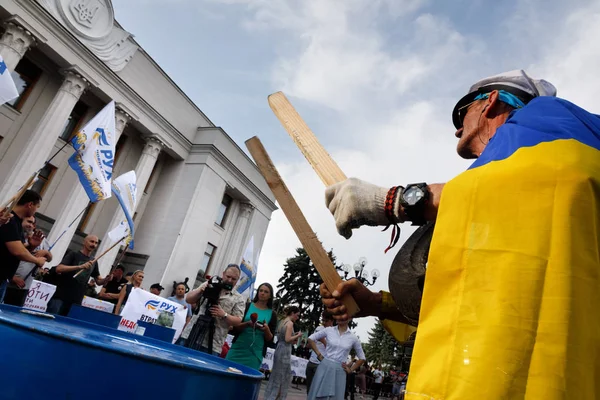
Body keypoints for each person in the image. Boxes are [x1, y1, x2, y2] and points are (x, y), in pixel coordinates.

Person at [321, 70, 600, 399]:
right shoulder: (512, 211)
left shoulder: (549, 118)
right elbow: (485, 304)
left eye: (462, 111)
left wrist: (394, 200)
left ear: (490, 103)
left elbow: (538, 179)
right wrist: (378, 304)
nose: (457, 128)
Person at [183, 264, 245, 355]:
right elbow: (188, 299)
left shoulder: (239, 298)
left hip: (213, 343)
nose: (229, 280)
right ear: (223, 274)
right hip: (191, 334)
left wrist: (224, 315)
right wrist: (200, 291)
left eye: (234, 279)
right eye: (228, 277)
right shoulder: (209, 284)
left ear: (238, 279)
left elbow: (238, 320)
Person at [47, 235, 112, 316]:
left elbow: (98, 281)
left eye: (96, 243)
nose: (94, 244)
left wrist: (106, 279)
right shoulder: (73, 254)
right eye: (91, 241)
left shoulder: (94, 261)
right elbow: (59, 268)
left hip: (76, 301)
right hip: (61, 297)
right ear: (84, 242)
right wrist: (79, 267)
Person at [0, 190, 47, 303]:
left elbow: (11, 246)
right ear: (30, 204)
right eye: (37, 206)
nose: (36, 210)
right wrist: (37, 260)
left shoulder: (17, 223)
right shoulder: (9, 219)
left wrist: (30, 246)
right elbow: (17, 251)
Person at [307, 318, 365, 400]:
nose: (339, 317)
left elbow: (362, 358)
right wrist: (319, 354)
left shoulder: (353, 338)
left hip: (340, 370)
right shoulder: (328, 330)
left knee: (335, 397)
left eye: (343, 315)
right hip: (324, 366)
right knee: (316, 394)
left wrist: (351, 369)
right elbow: (310, 338)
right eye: (338, 315)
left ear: (349, 318)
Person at [226, 282, 277, 370]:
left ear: (270, 296)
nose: (262, 293)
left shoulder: (272, 314)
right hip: (238, 347)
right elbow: (235, 327)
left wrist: (266, 329)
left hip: (255, 353)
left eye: (266, 292)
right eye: (260, 290)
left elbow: (270, 339)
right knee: (227, 371)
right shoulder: (247, 306)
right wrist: (247, 324)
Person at [264, 305, 302, 400]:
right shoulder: (290, 323)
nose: (297, 318)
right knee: (282, 377)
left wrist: (294, 335)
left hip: (279, 348)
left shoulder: (283, 321)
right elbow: (288, 339)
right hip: (285, 350)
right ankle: (275, 397)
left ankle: (271, 396)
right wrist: (298, 336)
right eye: (297, 315)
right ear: (292, 313)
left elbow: (285, 337)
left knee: (276, 375)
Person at [306, 312, 335, 393]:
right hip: (312, 361)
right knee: (309, 388)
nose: (324, 323)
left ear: (332, 321)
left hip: (321, 364)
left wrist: (324, 341)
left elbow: (331, 349)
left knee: (317, 389)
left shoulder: (334, 333)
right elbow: (311, 342)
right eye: (323, 320)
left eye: (326, 321)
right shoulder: (319, 328)